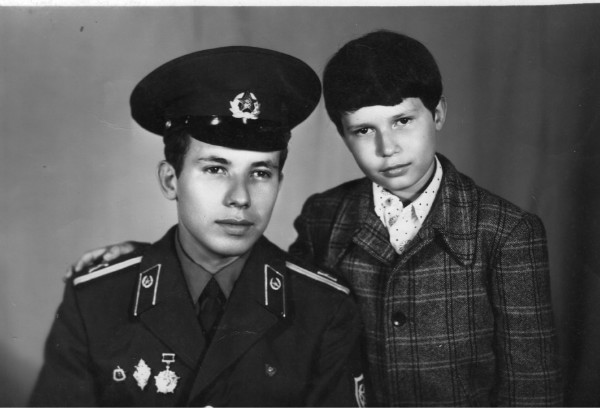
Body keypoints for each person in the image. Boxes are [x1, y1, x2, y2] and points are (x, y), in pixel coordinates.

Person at [67, 30, 563, 406]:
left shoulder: (506, 233)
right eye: (363, 131)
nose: (387, 148)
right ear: (343, 136)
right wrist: (151, 260)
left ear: (437, 115)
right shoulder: (327, 215)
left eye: (403, 121)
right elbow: (267, 293)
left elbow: (533, 388)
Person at [30, 46, 366, 407]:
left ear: (279, 183)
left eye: (260, 173)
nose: (240, 197)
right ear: (170, 180)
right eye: (216, 169)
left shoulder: (324, 309)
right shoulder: (96, 302)